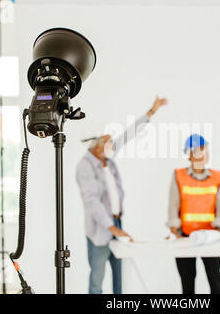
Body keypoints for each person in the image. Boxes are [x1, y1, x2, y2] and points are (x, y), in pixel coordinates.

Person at [76, 96, 167, 294]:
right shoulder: (85, 167)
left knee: (120, 280)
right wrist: (111, 228)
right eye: (108, 141)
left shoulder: (106, 158)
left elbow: (127, 135)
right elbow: (91, 202)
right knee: (96, 282)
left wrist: (150, 112)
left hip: (117, 224)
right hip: (101, 231)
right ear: (96, 145)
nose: (112, 144)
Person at [167, 134, 220, 294]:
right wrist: (174, 232)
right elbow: (173, 205)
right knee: (187, 281)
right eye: (200, 150)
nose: (204, 154)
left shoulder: (216, 177)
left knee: (215, 279)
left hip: (209, 238)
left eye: (206, 150)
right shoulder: (179, 176)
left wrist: (218, 231)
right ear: (191, 154)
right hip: (185, 237)